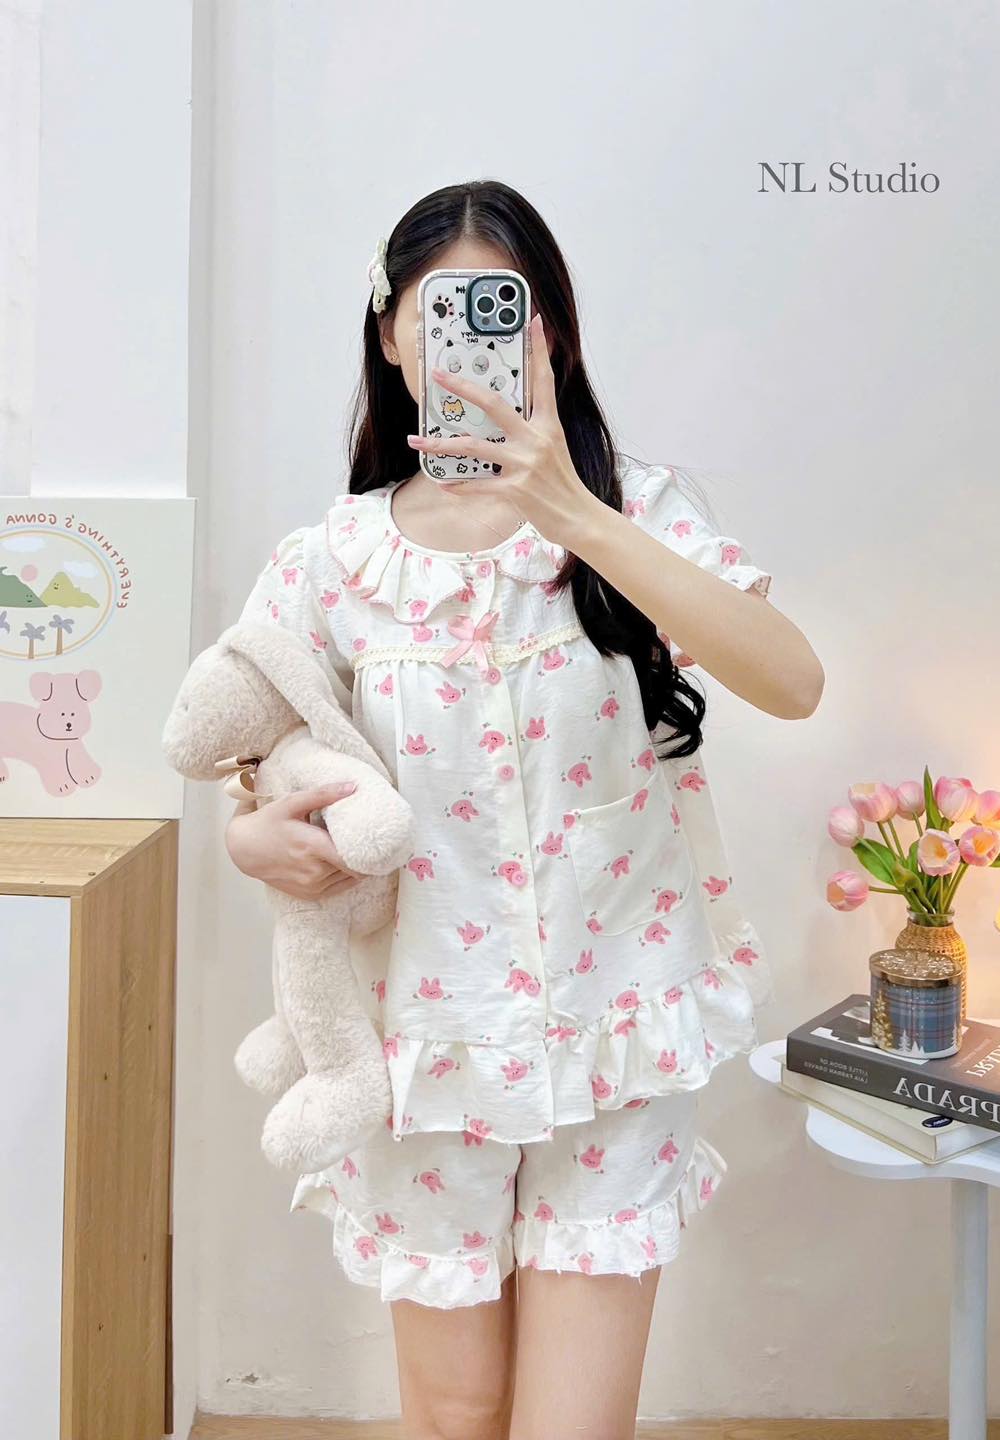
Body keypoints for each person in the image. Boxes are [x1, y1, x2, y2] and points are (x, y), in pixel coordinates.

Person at [224, 179, 824, 1440]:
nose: (476, 344)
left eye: (507, 311)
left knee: (574, 1423)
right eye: (443, 314)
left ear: (551, 333)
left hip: (615, 1025)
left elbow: (792, 680)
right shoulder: (332, 564)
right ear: (393, 337)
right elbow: (255, 765)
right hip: (422, 1039)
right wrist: (255, 837)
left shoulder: (633, 515)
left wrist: (574, 513)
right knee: (452, 1414)